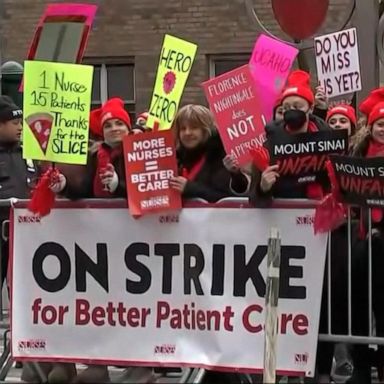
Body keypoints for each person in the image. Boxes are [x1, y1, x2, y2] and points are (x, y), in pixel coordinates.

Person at [250, 70, 331, 203]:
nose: (291, 110)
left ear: (310, 109)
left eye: (297, 106)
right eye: (286, 107)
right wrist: (262, 188)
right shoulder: (270, 145)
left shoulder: (329, 141)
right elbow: (253, 199)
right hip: (281, 219)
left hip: (320, 217)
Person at [347, 101, 384, 384]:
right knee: (357, 305)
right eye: (380, 124)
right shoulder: (357, 153)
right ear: (370, 127)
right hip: (361, 239)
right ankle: (360, 367)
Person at [52, 98, 131, 200]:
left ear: (128, 128)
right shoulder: (93, 155)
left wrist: (117, 186)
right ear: (103, 131)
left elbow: (145, 193)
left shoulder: (139, 153)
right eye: (108, 126)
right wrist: (64, 187)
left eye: (119, 124)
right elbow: (83, 191)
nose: (114, 129)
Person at [169, 104, 250, 202]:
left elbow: (226, 199)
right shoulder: (174, 158)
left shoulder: (220, 157)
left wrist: (190, 188)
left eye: (194, 128)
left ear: (205, 130)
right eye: (183, 128)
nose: (187, 133)